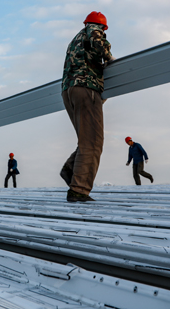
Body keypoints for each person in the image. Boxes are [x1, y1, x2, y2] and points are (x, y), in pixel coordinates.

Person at [60, 11, 114, 202]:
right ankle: (79, 190)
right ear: (102, 26)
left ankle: (70, 170)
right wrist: (110, 58)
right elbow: (99, 46)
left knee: (85, 140)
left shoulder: (75, 40)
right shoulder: (93, 30)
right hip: (86, 89)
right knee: (93, 142)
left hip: (69, 91)